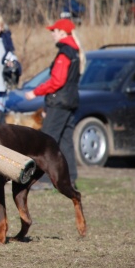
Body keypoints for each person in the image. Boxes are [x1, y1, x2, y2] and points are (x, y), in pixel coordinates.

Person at [25, 18, 85, 189]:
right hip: (71, 101)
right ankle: (70, 178)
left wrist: (35, 92)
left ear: (62, 32)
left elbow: (57, 81)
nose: (52, 34)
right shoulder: (75, 51)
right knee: (66, 140)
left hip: (59, 101)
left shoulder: (65, 52)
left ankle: (44, 180)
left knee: (47, 140)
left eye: (54, 31)